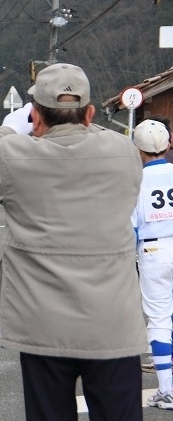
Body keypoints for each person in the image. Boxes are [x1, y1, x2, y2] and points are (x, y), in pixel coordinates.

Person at [0, 63, 147, 420]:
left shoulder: (12, 158)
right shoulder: (124, 154)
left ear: (35, 116)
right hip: (112, 321)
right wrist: (71, 122)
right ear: (91, 113)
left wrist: (16, 125)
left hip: (42, 323)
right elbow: (91, 135)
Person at [131, 119, 173, 410]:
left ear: (138, 150)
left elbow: (130, 227)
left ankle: (167, 390)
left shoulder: (134, 183)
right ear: (168, 144)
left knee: (159, 319)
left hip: (154, 250)